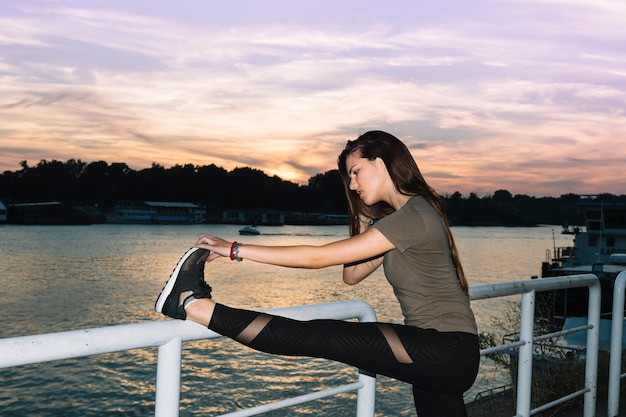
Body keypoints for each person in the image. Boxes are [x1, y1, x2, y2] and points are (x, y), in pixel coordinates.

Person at [155, 130, 480, 417]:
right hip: (439, 357)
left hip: (444, 349)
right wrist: (366, 218)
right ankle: (192, 304)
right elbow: (351, 275)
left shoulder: (413, 216)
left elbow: (317, 258)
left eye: (356, 172)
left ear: (381, 163)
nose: (352, 185)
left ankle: (192, 304)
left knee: (323, 336)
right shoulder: (403, 219)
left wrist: (234, 249)